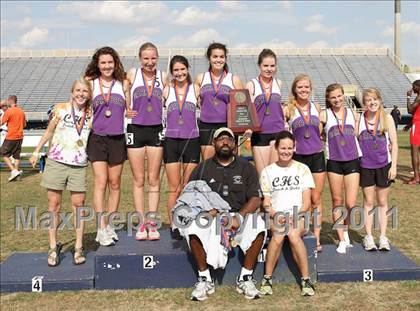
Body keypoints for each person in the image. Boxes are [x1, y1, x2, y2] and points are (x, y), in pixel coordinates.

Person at [183, 127, 266, 301]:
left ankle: (245, 277)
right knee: (192, 227)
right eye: (221, 139)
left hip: (238, 216)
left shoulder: (246, 167)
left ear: (235, 144)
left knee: (259, 225)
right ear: (214, 143)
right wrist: (208, 211)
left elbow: (256, 198)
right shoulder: (202, 168)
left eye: (229, 139)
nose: (225, 142)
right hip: (212, 216)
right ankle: (204, 279)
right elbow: (189, 197)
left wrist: (240, 216)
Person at [29, 78, 92, 266]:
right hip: (56, 161)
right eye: (78, 90)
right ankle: (52, 246)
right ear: (72, 92)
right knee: (54, 205)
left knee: (78, 206)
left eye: (85, 91)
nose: (81, 94)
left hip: (79, 164)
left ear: (89, 94)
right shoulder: (60, 109)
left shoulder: (92, 113)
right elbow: (49, 131)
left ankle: (79, 246)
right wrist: (36, 150)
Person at [259, 131, 315, 296]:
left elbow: (307, 202)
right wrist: (277, 215)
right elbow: (266, 203)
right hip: (276, 215)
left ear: (294, 148)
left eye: (289, 148)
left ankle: (306, 279)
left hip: (299, 214)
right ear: (276, 148)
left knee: (293, 234)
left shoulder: (303, 169)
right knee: (278, 234)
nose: (286, 151)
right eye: (283, 148)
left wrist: (294, 216)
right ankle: (267, 278)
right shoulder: (267, 172)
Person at [84, 46, 131, 246]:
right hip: (97, 138)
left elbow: (129, 110)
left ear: (116, 63)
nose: (107, 66)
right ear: (97, 64)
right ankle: (101, 227)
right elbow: (80, 105)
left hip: (118, 138)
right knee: (101, 181)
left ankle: (110, 224)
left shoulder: (123, 83)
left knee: (115, 183)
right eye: (103, 63)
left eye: (110, 62)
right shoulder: (91, 83)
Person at [125, 42, 168, 241]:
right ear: (140, 58)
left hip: (156, 130)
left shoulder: (163, 77)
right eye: (146, 58)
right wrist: (126, 108)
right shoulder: (132, 75)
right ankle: (141, 222)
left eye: (153, 58)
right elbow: (122, 93)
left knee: (153, 179)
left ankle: (152, 222)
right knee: (138, 179)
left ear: (157, 58)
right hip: (135, 128)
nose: (150, 62)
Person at [319, 83, 362, 254]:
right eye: (333, 97)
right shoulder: (325, 115)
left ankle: (345, 229)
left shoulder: (353, 113)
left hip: (352, 160)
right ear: (328, 100)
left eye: (339, 96)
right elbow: (318, 134)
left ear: (343, 95)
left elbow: (359, 135)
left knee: (351, 203)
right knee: (337, 201)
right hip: (334, 162)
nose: (337, 100)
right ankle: (342, 239)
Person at [285, 75, 325, 252]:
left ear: (310, 88)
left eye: (306, 87)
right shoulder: (289, 110)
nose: (303, 90)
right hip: (299, 159)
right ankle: (303, 232)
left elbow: (320, 131)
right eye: (300, 87)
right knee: (301, 199)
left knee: (316, 199)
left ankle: (316, 237)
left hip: (316, 155)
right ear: (294, 89)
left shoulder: (316, 107)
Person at [162, 55, 200, 240]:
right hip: (171, 141)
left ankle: (188, 221)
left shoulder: (196, 89)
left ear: (188, 69)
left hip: (192, 140)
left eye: (182, 69)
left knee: (188, 186)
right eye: (176, 70)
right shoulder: (167, 90)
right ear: (172, 72)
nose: (179, 73)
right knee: (174, 187)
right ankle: (174, 225)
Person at [358, 88, 398, 251]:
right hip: (365, 166)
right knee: (368, 202)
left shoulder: (387, 117)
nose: (372, 102)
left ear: (380, 100)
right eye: (368, 100)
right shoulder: (359, 118)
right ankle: (368, 237)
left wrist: (394, 166)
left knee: (382, 202)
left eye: (375, 99)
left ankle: (382, 237)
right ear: (364, 103)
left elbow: (394, 144)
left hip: (383, 165)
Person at [195, 42, 244, 160]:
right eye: (215, 56)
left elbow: (243, 107)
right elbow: (194, 99)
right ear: (209, 58)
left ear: (225, 58)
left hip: (227, 125)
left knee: (228, 162)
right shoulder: (201, 78)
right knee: (209, 163)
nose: (218, 60)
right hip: (206, 125)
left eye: (221, 57)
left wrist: (245, 128)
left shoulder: (234, 79)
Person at [246, 49, 286, 174]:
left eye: (272, 66)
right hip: (260, 133)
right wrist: (248, 128)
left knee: (275, 174)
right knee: (263, 175)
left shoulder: (279, 83)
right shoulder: (251, 84)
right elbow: (247, 110)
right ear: (259, 66)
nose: (269, 69)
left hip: (278, 131)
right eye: (266, 66)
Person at [1, 95, 26, 181]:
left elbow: (1, 123)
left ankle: (14, 170)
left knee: (3, 153)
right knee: (16, 155)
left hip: (11, 136)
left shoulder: (9, 111)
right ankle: (17, 175)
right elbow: (24, 125)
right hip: (20, 136)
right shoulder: (21, 111)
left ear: (10, 101)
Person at [406, 79, 420, 185]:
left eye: (413, 86)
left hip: (417, 126)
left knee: (414, 152)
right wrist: (409, 125)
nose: (412, 88)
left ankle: (416, 177)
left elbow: (410, 110)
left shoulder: (419, 97)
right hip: (416, 123)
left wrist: (408, 97)